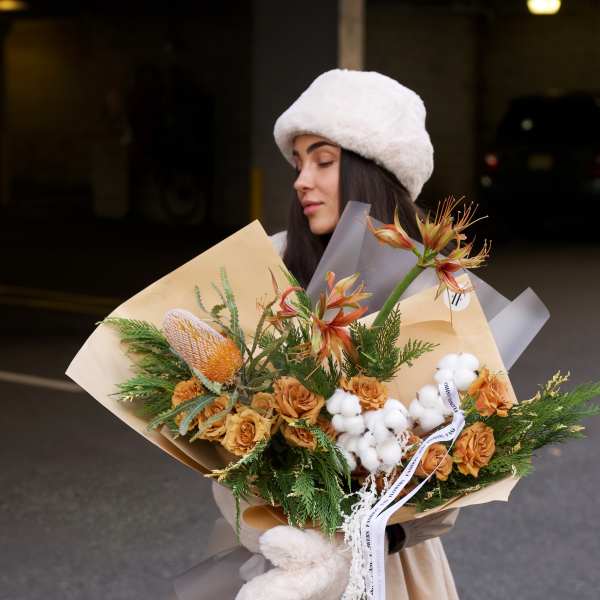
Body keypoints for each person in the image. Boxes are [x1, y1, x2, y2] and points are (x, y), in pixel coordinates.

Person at [212, 69, 460, 600]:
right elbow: (221, 429)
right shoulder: (272, 264)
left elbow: (457, 459)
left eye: (323, 161)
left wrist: (374, 533)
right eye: (298, 163)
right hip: (278, 558)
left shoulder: (427, 285)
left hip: (389, 569)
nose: (302, 180)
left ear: (374, 172)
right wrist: (273, 522)